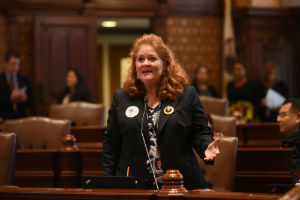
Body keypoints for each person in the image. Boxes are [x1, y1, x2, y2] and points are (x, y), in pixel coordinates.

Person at [102, 34, 220, 190]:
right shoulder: (122, 97)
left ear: (164, 64)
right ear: (135, 66)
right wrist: (108, 184)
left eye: (152, 58)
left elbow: (200, 132)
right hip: (134, 186)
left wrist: (206, 147)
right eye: (140, 59)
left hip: (179, 183)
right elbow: (111, 144)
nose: (146, 63)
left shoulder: (186, 95)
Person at [0, 51, 33, 119]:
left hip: (21, 119)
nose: (15, 67)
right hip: (4, 120)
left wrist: (25, 99)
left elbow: (31, 103)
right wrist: (10, 98)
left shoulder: (25, 80)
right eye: (13, 64)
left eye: (17, 64)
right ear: (5, 64)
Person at [277, 99, 300, 185]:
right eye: (278, 115)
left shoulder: (295, 137)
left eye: (283, 115)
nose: (278, 119)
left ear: (298, 117)